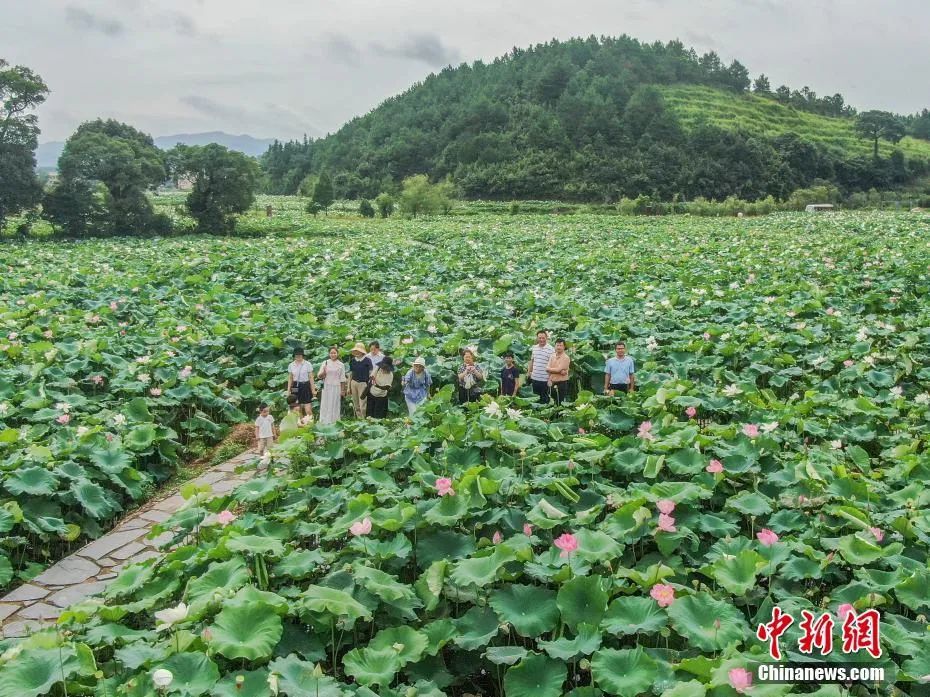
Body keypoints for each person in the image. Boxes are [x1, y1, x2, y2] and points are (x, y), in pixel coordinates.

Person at [317, 346, 347, 425]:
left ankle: (334, 421)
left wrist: (343, 390)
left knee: (335, 404)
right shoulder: (325, 362)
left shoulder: (341, 365)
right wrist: (324, 371)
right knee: (325, 403)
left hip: (336, 387)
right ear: (329, 354)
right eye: (331, 353)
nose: (333, 354)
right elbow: (319, 376)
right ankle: (324, 421)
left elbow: (343, 379)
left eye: (334, 353)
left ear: (337, 354)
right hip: (327, 386)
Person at [286, 347, 317, 421]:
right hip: (295, 386)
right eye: (296, 355)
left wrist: (313, 390)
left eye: (300, 355)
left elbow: (311, 378)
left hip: (305, 385)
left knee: (308, 409)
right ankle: (300, 424)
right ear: (294, 356)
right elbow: (290, 378)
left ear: (303, 355)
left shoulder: (307, 364)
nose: (298, 356)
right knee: (296, 407)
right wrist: (288, 390)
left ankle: (310, 423)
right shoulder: (291, 365)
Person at [527, 331, 555, 404]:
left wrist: (550, 379)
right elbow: (532, 361)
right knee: (535, 398)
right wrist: (529, 372)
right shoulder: (534, 348)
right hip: (535, 377)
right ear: (537, 338)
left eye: (543, 338)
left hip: (545, 379)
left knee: (544, 399)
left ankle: (543, 414)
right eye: (540, 338)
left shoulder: (551, 349)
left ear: (546, 338)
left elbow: (553, 365)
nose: (541, 340)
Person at [348, 342, 373, 418]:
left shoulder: (367, 360)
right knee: (356, 404)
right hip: (353, 383)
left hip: (363, 384)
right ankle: (359, 419)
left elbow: (370, 373)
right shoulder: (352, 361)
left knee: (363, 405)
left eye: (358, 350)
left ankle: (363, 419)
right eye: (356, 350)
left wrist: (370, 385)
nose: (357, 352)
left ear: (362, 351)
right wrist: (348, 387)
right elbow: (351, 374)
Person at [546, 338, 571, 406]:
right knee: (551, 402)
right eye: (557, 345)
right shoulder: (552, 356)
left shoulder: (566, 358)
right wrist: (558, 371)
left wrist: (551, 369)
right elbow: (547, 368)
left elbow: (558, 369)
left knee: (560, 402)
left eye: (561, 345)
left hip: (561, 383)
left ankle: (559, 416)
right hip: (551, 382)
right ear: (555, 346)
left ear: (564, 347)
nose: (559, 347)